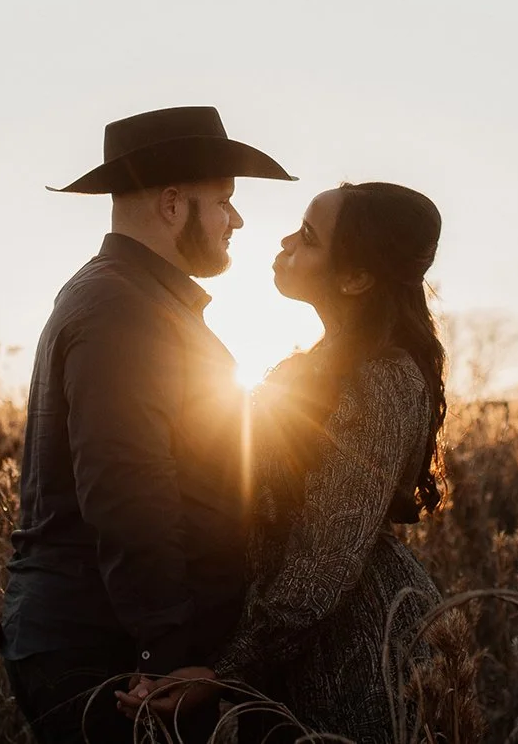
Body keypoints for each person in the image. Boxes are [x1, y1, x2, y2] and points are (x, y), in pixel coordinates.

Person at [1, 106, 297, 744]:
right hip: (107, 651)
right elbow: (127, 488)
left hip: (108, 638)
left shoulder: (129, 297)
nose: (237, 220)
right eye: (223, 201)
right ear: (171, 205)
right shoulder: (122, 307)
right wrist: (167, 653)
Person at [121, 182, 447, 744]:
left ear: (355, 278)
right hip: (291, 653)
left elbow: (326, 561)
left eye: (309, 237)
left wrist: (225, 673)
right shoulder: (316, 368)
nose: (285, 239)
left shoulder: (385, 380)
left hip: (357, 658)